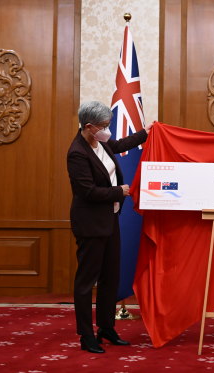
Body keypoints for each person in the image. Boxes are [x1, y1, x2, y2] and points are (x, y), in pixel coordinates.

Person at [67, 101, 153, 353]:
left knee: (110, 278)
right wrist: (119, 191)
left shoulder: (101, 143)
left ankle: (106, 328)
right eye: (104, 126)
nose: (108, 131)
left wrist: (145, 133)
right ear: (89, 126)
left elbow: (119, 146)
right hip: (91, 225)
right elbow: (88, 192)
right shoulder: (77, 153)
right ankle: (86, 335)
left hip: (110, 220)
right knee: (86, 282)